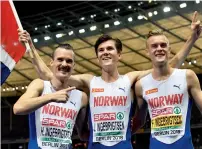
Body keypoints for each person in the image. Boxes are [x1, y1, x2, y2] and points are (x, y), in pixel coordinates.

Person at [18, 11, 201, 149]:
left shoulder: (130, 79)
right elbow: (53, 75)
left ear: (119, 54)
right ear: (97, 57)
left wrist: (191, 39)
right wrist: (31, 49)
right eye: (101, 50)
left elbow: (167, 65)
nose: (105, 52)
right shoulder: (90, 81)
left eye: (110, 49)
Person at [135, 29, 202, 149]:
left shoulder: (187, 76)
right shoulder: (141, 86)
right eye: (154, 46)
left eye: (163, 45)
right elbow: (139, 121)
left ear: (169, 50)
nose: (159, 48)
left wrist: (193, 38)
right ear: (147, 52)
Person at [13, 44, 88, 149]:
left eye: (69, 61)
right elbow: (18, 108)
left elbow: (83, 134)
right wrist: (51, 97)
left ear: (74, 66)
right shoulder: (40, 85)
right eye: (60, 60)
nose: (64, 64)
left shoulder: (82, 97)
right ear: (51, 62)